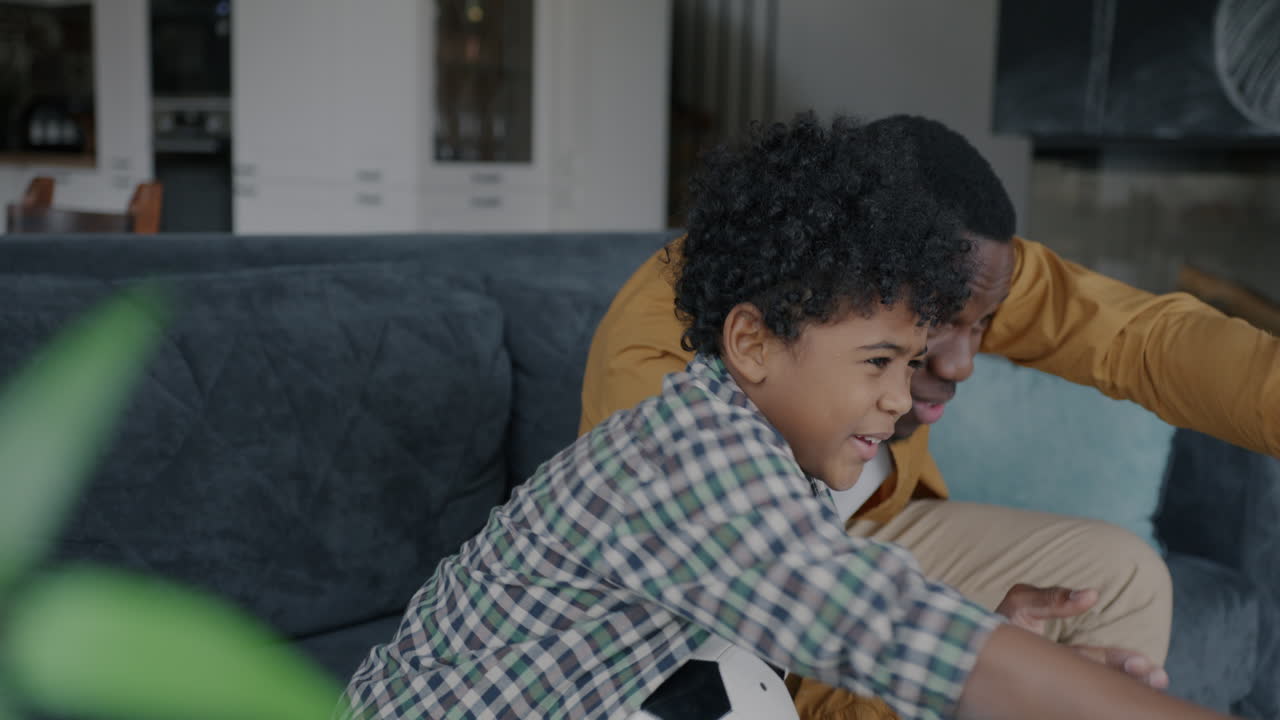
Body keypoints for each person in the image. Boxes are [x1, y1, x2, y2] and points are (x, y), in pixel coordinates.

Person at [342, 114, 1238, 720]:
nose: (904, 397)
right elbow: (877, 625)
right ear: (754, 342)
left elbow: (836, 655)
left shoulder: (785, 472)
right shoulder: (684, 461)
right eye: (881, 361)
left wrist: (1005, 655)